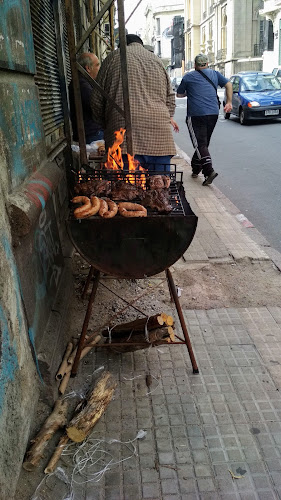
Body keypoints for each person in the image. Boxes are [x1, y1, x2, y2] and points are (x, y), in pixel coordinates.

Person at [90, 34, 179, 172]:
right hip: (160, 139)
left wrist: (107, 123)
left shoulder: (113, 58)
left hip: (124, 138)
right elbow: (170, 100)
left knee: (124, 190)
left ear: (121, 46)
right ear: (141, 45)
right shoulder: (157, 61)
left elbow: (96, 100)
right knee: (160, 189)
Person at [177, 53, 232, 185]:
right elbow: (229, 84)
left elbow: (179, 94)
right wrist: (229, 102)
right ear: (207, 64)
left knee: (200, 144)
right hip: (213, 113)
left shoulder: (189, 76)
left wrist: (189, 91)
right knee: (204, 143)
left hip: (196, 115)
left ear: (195, 65)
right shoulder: (215, 74)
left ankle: (209, 171)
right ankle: (196, 168)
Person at [68, 52, 104, 144]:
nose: (99, 69)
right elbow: (96, 106)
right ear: (88, 68)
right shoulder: (82, 84)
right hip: (92, 134)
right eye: (97, 65)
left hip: (91, 133)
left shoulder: (84, 83)